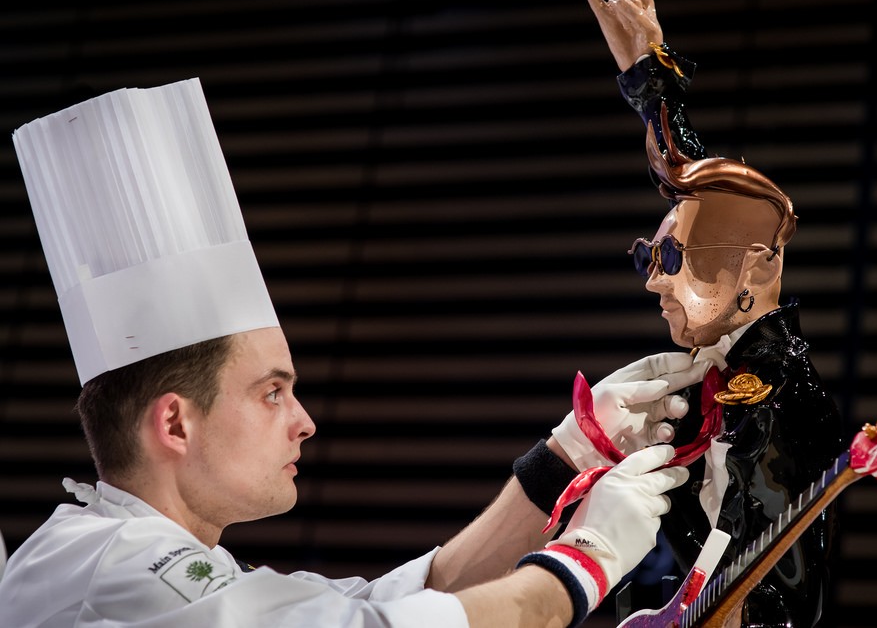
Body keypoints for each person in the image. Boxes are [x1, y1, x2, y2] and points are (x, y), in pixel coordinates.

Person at [0, 79, 697, 628]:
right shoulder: (123, 572)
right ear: (175, 423)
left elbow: (401, 600)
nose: (303, 421)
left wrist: (566, 455)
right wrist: (583, 562)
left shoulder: (163, 563)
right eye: (272, 391)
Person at [574, 0, 845, 628]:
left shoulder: (785, 395)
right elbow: (692, 182)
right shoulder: (709, 378)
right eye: (648, 257)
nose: (652, 284)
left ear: (754, 266)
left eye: (672, 261)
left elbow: (777, 591)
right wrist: (646, 77)